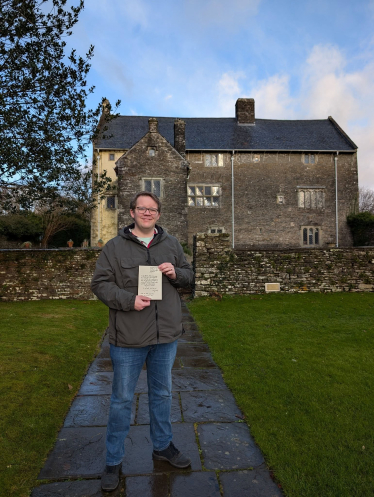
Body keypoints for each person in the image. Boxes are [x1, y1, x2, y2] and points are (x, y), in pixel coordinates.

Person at [91, 191, 194, 492]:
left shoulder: (172, 244)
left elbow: (189, 276)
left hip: (166, 336)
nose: (147, 213)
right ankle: (113, 460)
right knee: (122, 400)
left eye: (153, 209)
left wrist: (177, 272)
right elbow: (99, 284)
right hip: (128, 337)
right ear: (132, 213)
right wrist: (128, 299)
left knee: (162, 394)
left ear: (159, 215)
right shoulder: (114, 247)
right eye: (142, 208)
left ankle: (162, 446)